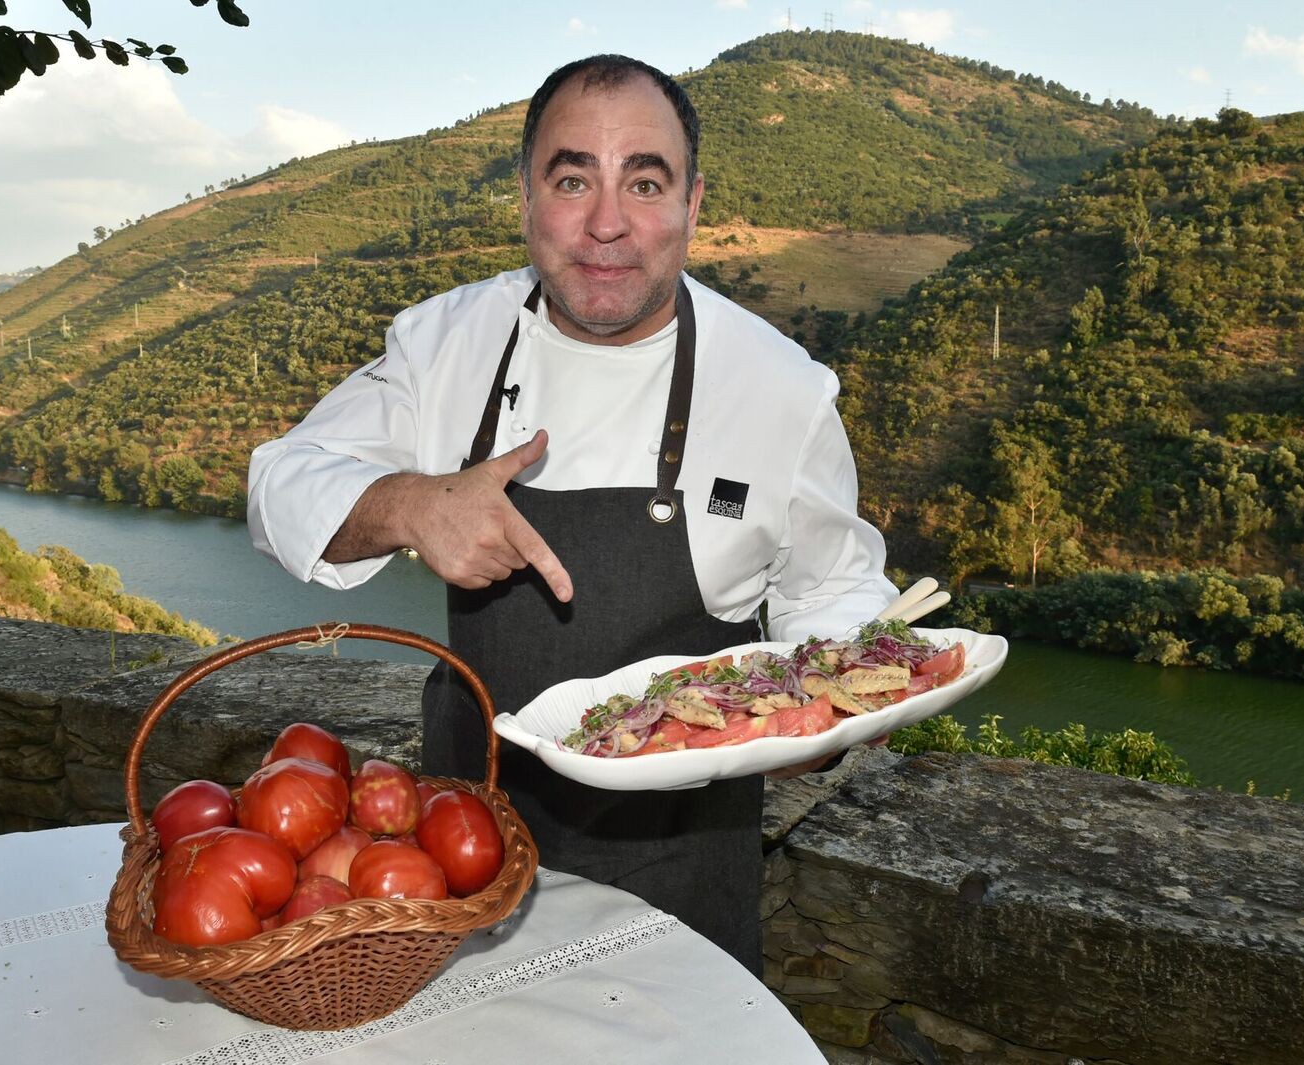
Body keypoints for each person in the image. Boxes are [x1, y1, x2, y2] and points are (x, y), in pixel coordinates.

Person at [247, 54, 896, 974]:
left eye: (643, 181)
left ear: (692, 205)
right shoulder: (443, 344)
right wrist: (408, 505)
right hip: (452, 874)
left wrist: (819, 727)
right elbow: (278, 484)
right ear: (525, 197)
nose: (606, 224)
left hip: (678, 900)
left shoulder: (781, 390)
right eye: (571, 178)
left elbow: (838, 594)